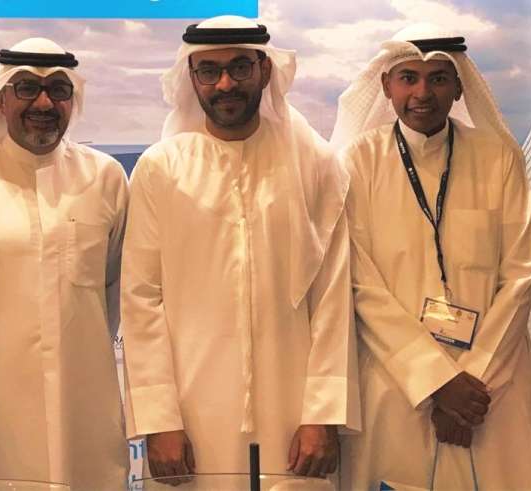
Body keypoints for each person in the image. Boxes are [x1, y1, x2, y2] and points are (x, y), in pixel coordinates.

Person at [121, 15, 360, 484]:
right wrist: (159, 419)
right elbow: (141, 298)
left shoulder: (314, 163)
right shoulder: (161, 168)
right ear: (192, 77)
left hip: (294, 415)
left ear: (265, 70)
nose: (225, 83)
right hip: (191, 414)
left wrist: (322, 414)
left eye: (239, 67)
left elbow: (332, 294)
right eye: (209, 71)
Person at [333, 24, 531, 489]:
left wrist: (470, 387)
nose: (422, 93)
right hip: (397, 385)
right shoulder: (357, 162)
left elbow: (522, 275)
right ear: (386, 86)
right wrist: (436, 382)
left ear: (460, 87)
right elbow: (361, 284)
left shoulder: (498, 158)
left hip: (491, 392)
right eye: (408, 78)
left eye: (438, 79)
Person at [0, 38, 129, 490]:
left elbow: (113, 289)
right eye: (26, 88)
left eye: (58, 89)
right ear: (1, 98)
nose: (43, 103)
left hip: (85, 408)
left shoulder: (107, 178)